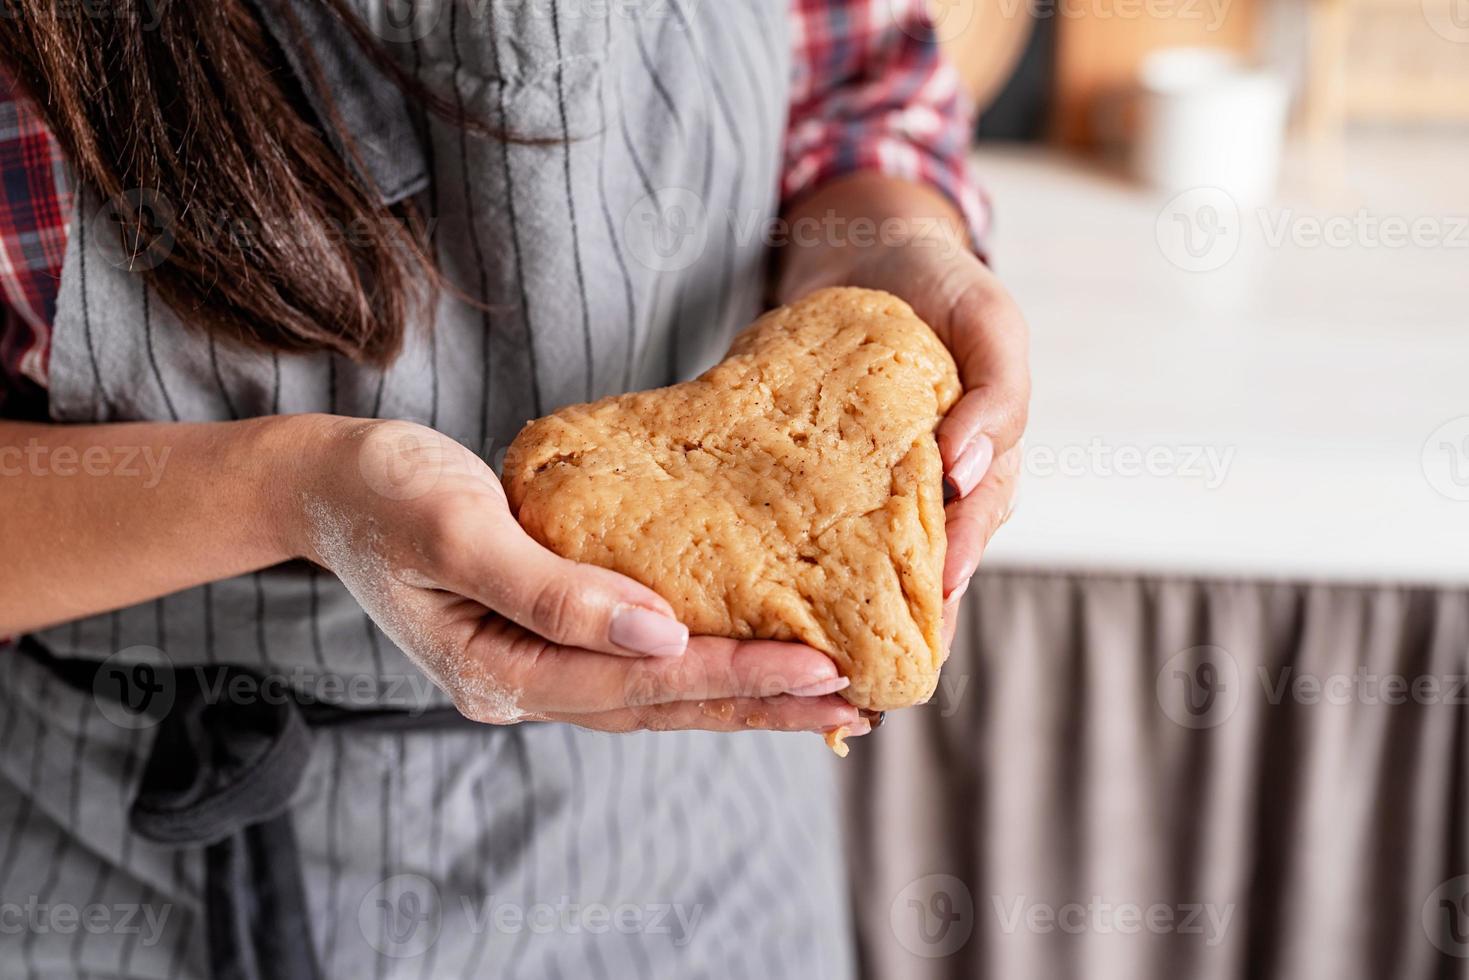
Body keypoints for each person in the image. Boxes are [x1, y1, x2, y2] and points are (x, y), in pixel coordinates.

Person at [0, 0, 1028, 976]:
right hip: (136, 873)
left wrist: (894, 255)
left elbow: (850, 97)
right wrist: (294, 492)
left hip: (693, 843)